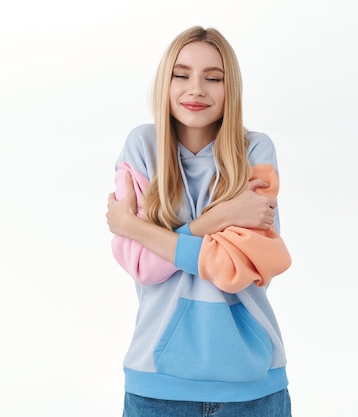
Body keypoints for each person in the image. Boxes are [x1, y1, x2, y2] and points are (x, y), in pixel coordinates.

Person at [105, 26, 292, 416]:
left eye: (213, 78)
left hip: (253, 389)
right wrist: (218, 219)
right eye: (182, 74)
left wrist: (136, 228)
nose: (196, 89)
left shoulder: (255, 150)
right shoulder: (143, 147)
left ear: (231, 88)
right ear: (165, 82)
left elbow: (235, 268)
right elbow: (143, 266)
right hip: (156, 387)